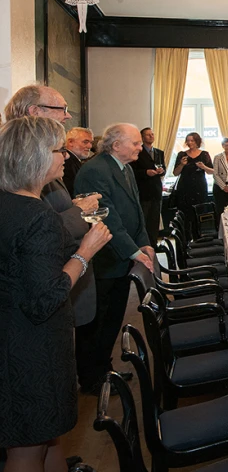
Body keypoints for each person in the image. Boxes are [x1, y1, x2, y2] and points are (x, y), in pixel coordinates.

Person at [0, 116, 111, 472]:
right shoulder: (38, 216)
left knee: (47, 439)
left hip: (12, 337)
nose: (65, 156)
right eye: (57, 149)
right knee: (28, 448)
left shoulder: (8, 204)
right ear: (34, 157)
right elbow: (45, 299)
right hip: (34, 349)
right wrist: (86, 252)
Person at [4, 85, 100, 348]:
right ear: (35, 111)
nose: (68, 116)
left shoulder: (29, 164)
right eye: (62, 109)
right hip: (39, 302)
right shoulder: (21, 167)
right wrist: (84, 237)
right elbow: (35, 226)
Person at [74, 123, 155, 395]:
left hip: (121, 258)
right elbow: (107, 217)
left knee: (112, 319)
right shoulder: (95, 170)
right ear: (116, 144)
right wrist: (134, 252)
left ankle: (105, 368)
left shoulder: (125, 168)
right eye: (134, 143)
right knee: (97, 323)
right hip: (105, 259)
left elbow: (136, 210)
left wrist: (143, 241)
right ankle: (91, 378)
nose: (138, 147)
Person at [131, 127, 165, 248]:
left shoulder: (159, 152)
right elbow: (133, 172)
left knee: (154, 221)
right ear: (142, 137)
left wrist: (161, 171)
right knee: (144, 220)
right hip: (143, 191)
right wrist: (146, 172)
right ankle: (144, 245)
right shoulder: (137, 153)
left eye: (152, 134)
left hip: (156, 191)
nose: (151, 136)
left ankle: (153, 244)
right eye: (148, 135)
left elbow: (164, 170)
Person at [172, 132, 213, 235]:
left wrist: (203, 167)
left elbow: (212, 171)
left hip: (199, 188)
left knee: (199, 213)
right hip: (184, 188)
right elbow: (175, 173)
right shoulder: (182, 154)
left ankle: (199, 237)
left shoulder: (204, 154)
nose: (190, 143)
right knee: (185, 214)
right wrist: (181, 164)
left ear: (197, 142)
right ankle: (185, 239)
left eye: (192, 141)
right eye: (188, 140)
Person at [63, 127, 93, 196]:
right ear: (70, 142)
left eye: (91, 142)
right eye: (85, 142)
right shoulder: (67, 163)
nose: (89, 146)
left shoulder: (73, 161)